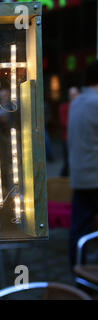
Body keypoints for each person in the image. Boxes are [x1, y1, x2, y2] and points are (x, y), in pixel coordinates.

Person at [67, 61, 98, 268]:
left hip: (80, 176)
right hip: (95, 175)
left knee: (79, 228)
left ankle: (78, 271)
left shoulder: (76, 102)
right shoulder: (96, 102)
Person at [58, 86, 79, 177]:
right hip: (67, 138)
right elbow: (64, 123)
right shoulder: (64, 107)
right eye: (72, 95)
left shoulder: (80, 107)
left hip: (78, 138)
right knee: (68, 161)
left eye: (75, 95)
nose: (74, 97)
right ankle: (63, 181)